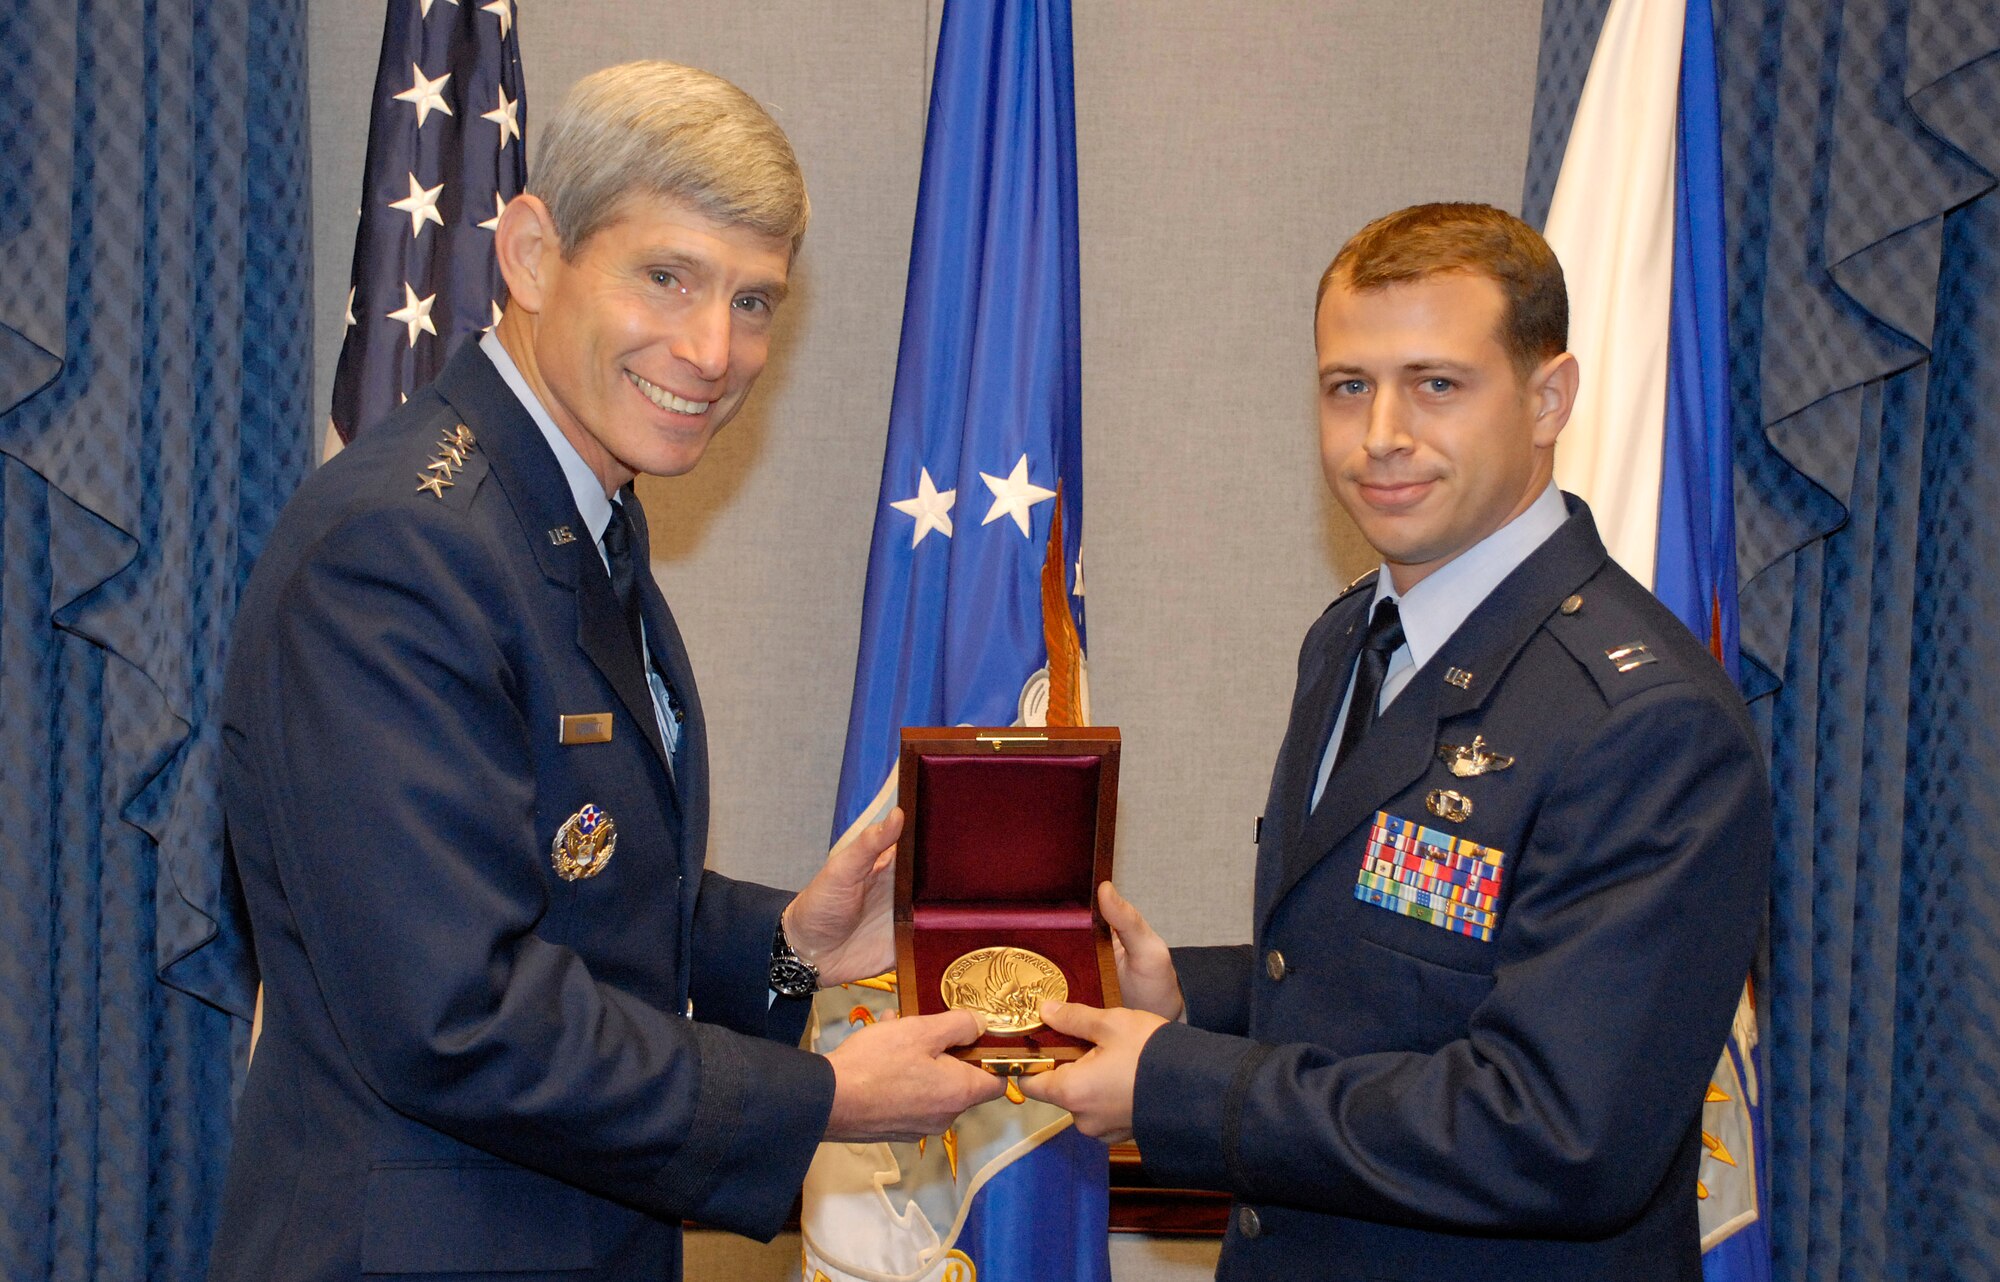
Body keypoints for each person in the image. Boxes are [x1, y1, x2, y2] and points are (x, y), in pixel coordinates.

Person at [209, 62, 1001, 1282]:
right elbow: (456, 1014)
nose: (712, 349)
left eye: (753, 302)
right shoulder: (402, 547)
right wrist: (815, 1099)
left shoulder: (573, 520)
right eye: (667, 277)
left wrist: (794, 944)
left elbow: (590, 898)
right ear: (530, 255)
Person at [1023, 203, 1770, 1280]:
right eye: (1346, 386)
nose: (1380, 433)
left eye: (1436, 384)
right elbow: (1373, 968)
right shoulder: (1350, 636)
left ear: (1547, 397)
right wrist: (1186, 1002)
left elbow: (1555, 1134)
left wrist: (1180, 1082)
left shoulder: (1645, 725)